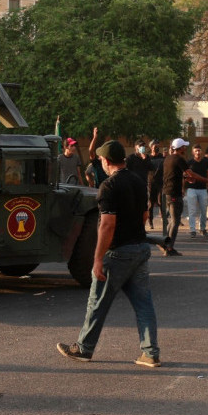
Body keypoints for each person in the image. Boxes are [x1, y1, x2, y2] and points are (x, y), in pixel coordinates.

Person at [56, 140, 160, 368]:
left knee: (97, 302)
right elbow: (144, 216)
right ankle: (150, 353)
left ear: (105, 161)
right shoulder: (137, 181)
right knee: (144, 304)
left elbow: (107, 225)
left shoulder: (109, 186)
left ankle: (84, 349)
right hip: (140, 249)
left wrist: (97, 258)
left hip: (118, 253)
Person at [159, 138, 190, 256]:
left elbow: (177, 174)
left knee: (172, 220)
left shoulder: (168, 158)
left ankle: (164, 243)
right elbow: (190, 173)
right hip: (173, 193)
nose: (185, 148)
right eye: (184, 147)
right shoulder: (179, 159)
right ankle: (169, 247)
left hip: (167, 192)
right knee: (175, 221)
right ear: (180, 148)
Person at [185, 145, 208, 237]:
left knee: (204, 210)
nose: (198, 153)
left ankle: (202, 228)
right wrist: (183, 188)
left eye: (199, 150)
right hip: (191, 189)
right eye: (196, 151)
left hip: (203, 189)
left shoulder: (206, 162)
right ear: (193, 152)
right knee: (192, 210)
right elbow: (185, 176)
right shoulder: (189, 163)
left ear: (201, 152)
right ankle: (192, 230)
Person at [147, 139, 166, 232]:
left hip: (161, 183)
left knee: (162, 202)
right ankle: (150, 221)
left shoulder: (162, 157)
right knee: (150, 204)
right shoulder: (148, 158)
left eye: (158, 145)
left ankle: (164, 220)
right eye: (155, 145)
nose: (156, 147)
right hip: (151, 183)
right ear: (151, 147)